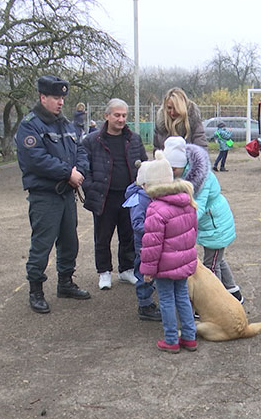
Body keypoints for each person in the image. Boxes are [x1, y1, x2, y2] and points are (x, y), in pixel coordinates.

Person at [16, 75, 91, 314]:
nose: (60, 102)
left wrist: (79, 170)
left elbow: (80, 149)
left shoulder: (65, 124)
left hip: (66, 193)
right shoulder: (30, 125)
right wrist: (68, 172)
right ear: (43, 97)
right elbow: (35, 159)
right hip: (45, 195)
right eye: (56, 97)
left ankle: (65, 282)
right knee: (42, 244)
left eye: (62, 98)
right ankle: (35, 290)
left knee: (70, 241)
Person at [164, 136, 243, 303]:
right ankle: (234, 293)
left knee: (211, 266)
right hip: (211, 224)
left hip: (216, 225)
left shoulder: (201, 178)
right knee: (218, 260)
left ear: (183, 164)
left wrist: (179, 223)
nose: (171, 172)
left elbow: (197, 205)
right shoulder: (182, 174)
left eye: (174, 168)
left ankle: (213, 301)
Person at [82, 98, 147, 290]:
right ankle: (104, 272)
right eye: (117, 115)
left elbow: (144, 163)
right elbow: (85, 168)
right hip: (104, 197)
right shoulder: (92, 141)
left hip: (129, 197)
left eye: (124, 115)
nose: (121, 119)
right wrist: (91, 187)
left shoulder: (134, 139)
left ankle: (126, 269)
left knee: (128, 234)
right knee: (102, 237)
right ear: (107, 116)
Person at [138, 151, 199, 353]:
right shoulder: (187, 202)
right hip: (183, 262)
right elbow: (193, 232)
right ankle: (189, 337)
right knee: (182, 296)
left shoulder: (156, 209)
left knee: (166, 299)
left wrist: (148, 271)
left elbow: (151, 245)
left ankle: (171, 339)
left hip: (164, 266)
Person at [122, 161, 161, 321]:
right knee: (143, 274)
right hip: (143, 245)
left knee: (150, 274)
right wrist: (157, 228)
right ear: (144, 184)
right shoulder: (139, 199)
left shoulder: (149, 195)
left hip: (152, 242)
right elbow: (137, 224)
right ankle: (144, 305)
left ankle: (148, 301)